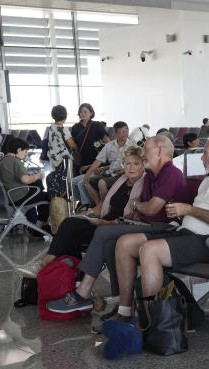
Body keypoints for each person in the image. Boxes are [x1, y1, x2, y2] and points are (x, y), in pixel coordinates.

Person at [104, 137, 209, 323]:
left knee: (150, 250)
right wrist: (182, 213)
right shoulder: (208, 182)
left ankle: (152, 322)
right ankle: (125, 311)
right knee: (124, 243)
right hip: (185, 234)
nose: (201, 158)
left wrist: (190, 210)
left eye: (206, 154)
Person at [47, 134, 190, 314]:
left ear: (160, 151)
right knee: (108, 244)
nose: (143, 153)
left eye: (146, 149)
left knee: (103, 233)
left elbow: (150, 208)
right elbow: (140, 206)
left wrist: (138, 205)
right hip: (146, 224)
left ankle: (82, 293)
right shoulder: (154, 175)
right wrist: (138, 207)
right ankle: (122, 305)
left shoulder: (170, 173)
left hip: (165, 229)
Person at [31, 146, 146, 276]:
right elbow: (104, 205)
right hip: (104, 220)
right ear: (123, 165)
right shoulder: (121, 181)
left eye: (136, 164)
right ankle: (60, 267)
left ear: (143, 165)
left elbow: (135, 218)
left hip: (117, 227)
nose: (131, 167)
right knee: (70, 222)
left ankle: (53, 267)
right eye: (128, 164)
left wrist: (106, 223)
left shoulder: (145, 185)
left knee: (73, 236)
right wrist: (88, 213)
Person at [0, 136, 49, 232]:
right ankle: (38, 226)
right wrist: (37, 176)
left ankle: (33, 221)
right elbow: (25, 180)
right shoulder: (15, 161)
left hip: (8, 196)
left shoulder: (3, 160)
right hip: (18, 197)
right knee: (47, 196)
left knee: (38, 187)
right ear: (19, 150)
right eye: (25, 152)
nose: (25, 155)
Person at [84, 121, 133, 206]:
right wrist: (88, 173)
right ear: (116, 133)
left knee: (102, 183)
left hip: (124, 175)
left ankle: (105, 206)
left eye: (127, 131)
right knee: (87, 181)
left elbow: (137, 162)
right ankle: (99, 204)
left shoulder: (132, 145)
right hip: (111, 173)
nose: (125, 133)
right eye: (122, 131)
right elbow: (98, 160)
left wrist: (125, 169)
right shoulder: (109, 145)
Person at [44, 105, 79, 199]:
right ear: (65, 116)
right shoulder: (63, 129)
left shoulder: (51, 128)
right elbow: (71, 144)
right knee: (68, 180)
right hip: (65, 159)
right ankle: (65, 200)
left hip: (54, 159)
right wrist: (76, 147)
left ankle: (58, 200)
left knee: (58, 179)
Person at [70, 103, 108, 175]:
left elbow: (106, 140)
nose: (82, 114)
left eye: (85, 112)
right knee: (79, 178)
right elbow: (73, 143)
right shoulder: (75, 127)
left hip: (95, 158)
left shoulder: (97, 125)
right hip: (81, 158)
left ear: (91, 113)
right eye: (81, 112)